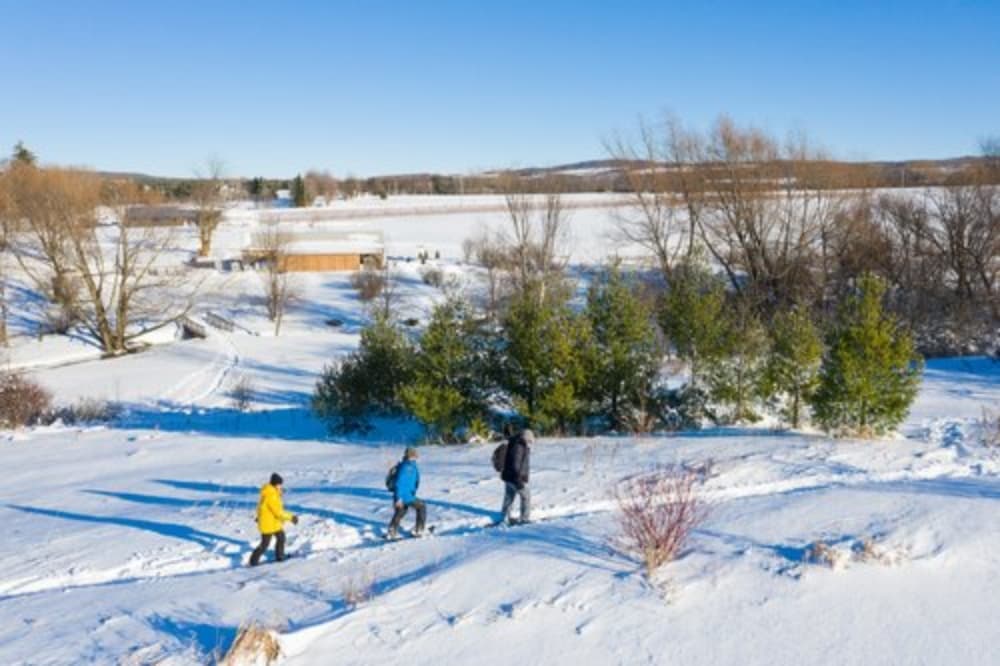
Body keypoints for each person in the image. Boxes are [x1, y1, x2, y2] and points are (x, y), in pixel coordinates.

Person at [249, 473, 298, 566]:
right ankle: (253, 561)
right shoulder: (271, 496)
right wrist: (291, 517)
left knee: (281, 537)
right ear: (275, 484)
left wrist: (259, 517)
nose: (281, 486)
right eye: (279, 484)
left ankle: (280, 556)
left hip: (272, 523)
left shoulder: (269, 492)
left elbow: (261, 507)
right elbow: (278, 513)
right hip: (269, 524)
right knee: (265, 545)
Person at [387, 447, 427, 539]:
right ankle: (419, 529)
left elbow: (415, 480)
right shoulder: (407, 467)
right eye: (414, 455)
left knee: (401, 512)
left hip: (406, 494)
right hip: (404, 496)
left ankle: (392, 530)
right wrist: (398, 498)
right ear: (411, 455)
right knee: (421, 506)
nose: (416, 457)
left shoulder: (410, 465)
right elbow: (399, 483)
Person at [500, 428, 532, 525]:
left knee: (509, 496)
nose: (530, 443)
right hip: (515, 477)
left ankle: (505, 516)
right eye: (529, 440)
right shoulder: (519, 446)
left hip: (508, 475)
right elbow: (515, 464)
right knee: (526, 496)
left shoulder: (514, 443)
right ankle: (524, 519)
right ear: (525, 438)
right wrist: (518, 480)